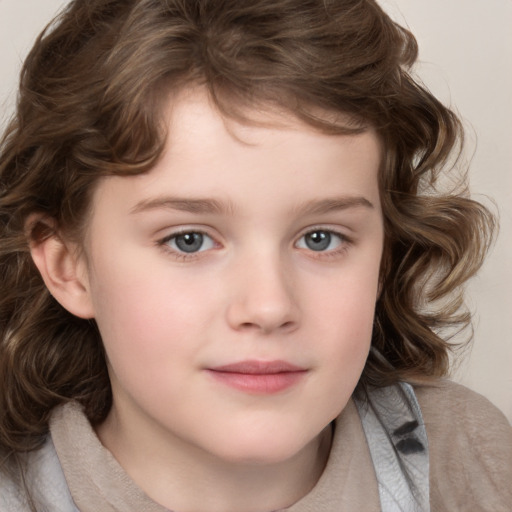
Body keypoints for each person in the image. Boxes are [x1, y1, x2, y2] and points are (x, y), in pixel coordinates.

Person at [0, 0, 511, 510]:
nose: (268, 307)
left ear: (383, 256)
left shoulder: (468, 461)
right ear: (68, 265)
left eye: (320, 238)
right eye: (189, 240)